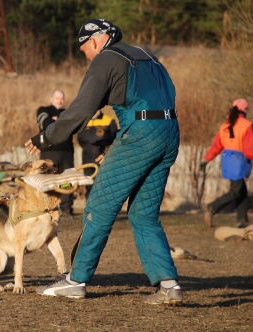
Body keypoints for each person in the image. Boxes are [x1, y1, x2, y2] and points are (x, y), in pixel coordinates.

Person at [25, 19, 182, 305]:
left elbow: (80, 109)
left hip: (141, 134)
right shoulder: (147, 56)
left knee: (98, 206)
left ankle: (76, 280)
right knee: (144, 214)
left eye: (83, 49)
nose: (85, 55)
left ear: (95, 40)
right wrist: (114, 141)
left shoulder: (106, 59)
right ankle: (169, 285)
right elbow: (153, 100)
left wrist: (45, 138)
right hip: (169, 133)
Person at [200, 98, 252, 228]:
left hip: (227, 160)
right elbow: (249, 148)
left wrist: (206, 160)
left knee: (242, 191)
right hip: (239, 160)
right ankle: (212, 207)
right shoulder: (246, 125)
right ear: (244, 110)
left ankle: (242, 220)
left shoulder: (225, 125)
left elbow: (216, 146)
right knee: (235, 191)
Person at [36, 89, 75, 218]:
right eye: (57, 98)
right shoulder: (43, 110)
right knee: (47, 181)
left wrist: (55, 121)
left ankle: (66, 209)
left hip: (66, 152)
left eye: (62, 98)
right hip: (49, 152)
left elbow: (72, 126)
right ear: (51, 99)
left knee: (66, 181)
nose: (60, 100)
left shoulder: (68, 112)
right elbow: (44, 124)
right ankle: (46, 208)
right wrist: (61, 122)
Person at [77, 108, 118, 197]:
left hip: (103, 157)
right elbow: (79, 138)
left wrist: (106, 151)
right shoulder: (84, 121)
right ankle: (89, 208)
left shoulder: (109, 120)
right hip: (87, 157)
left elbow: (115, 138)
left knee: (103, 184)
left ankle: (104, 209)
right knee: (89, 184)